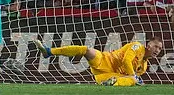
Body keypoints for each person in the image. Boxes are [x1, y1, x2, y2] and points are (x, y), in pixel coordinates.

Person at [33, 36, 164, 86]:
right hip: (105, 59)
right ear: (148, 45)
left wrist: (134, 79)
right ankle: (49, 51)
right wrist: (134, 77)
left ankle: (112, 83)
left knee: (132, 80)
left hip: (107, 76)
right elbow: (126, 61)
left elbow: (128, 77)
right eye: (156, 46)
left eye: (160, 49)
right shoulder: (137, 47)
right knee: (86, 50)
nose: (157, 50)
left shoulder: (143, 67)